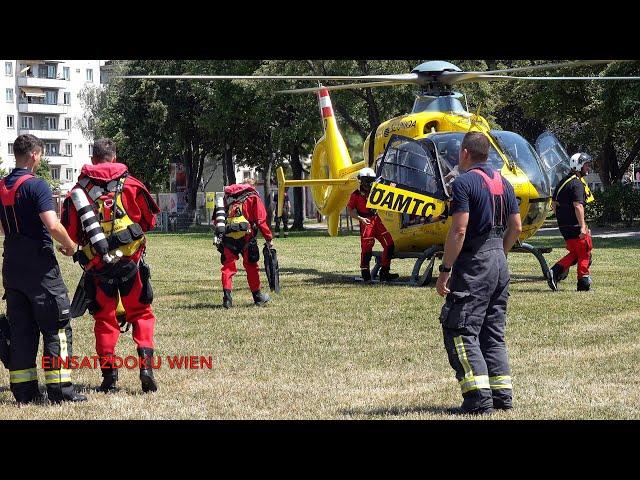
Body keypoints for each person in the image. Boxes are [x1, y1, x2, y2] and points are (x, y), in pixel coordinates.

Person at [61, 138, 160, 394]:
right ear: (114, 158)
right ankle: (146, 369)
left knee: (104, 320)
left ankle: (109, 378)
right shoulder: (133, 185)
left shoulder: (78, 191)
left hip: (97, 269)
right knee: (142, 314)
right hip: (131, 263)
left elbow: (70, 233)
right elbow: (148, 221)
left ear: (93, 159)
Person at [436, 132, 522, 415]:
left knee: (460, 329)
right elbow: (516, 228)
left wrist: (445, 269)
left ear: (464, 153)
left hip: (474, 263)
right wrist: (500, 255)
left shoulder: (463, 183)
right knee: (492, 332)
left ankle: (478, 398)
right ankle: (501, 396)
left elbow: (459, 230)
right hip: (499, 260)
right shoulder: (505, 183)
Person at [0, 134, 86, 404]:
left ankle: (25, 393)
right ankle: (61, 392)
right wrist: (71, 245)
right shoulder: (37, 186)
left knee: (21, 330)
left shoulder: (2, 186)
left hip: (12, 267)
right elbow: (52, 224)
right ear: (35, 155)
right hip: (40, 268)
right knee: (56, 326)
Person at [218, 181, 273, 308]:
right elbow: (261, 221)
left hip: (228, 237)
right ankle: (257, 297)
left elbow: (217, 219)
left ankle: (227, 298)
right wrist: (269, 238)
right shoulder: (253, 197)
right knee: (251, 266)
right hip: (247, 237)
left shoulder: (228, 197)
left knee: (228, 268)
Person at [547, 153, 595, 292]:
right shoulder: (577, 183)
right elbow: (578, 206)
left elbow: (554, 205)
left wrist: (563, 220)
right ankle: (583, 284)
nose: (588, 167)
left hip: (564, 226)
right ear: (578, 165)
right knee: (585, 251)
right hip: (575, 225)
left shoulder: (563, 181)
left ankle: (554, 272)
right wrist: (583, 227)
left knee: (576, 253)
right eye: (586, 164)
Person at [347, 168, 398, 282]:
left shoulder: (376, 191)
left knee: (389, 245)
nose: (369, 184)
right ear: (361, 181)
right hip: (366, 222)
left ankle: (384, 272)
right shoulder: (355, 195)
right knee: (367, 249)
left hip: (377, 220)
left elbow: (390, 190)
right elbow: (350, 211)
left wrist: (394, 185)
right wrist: (361, 219)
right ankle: (365, 274)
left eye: (371, 181)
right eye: (367, 181)